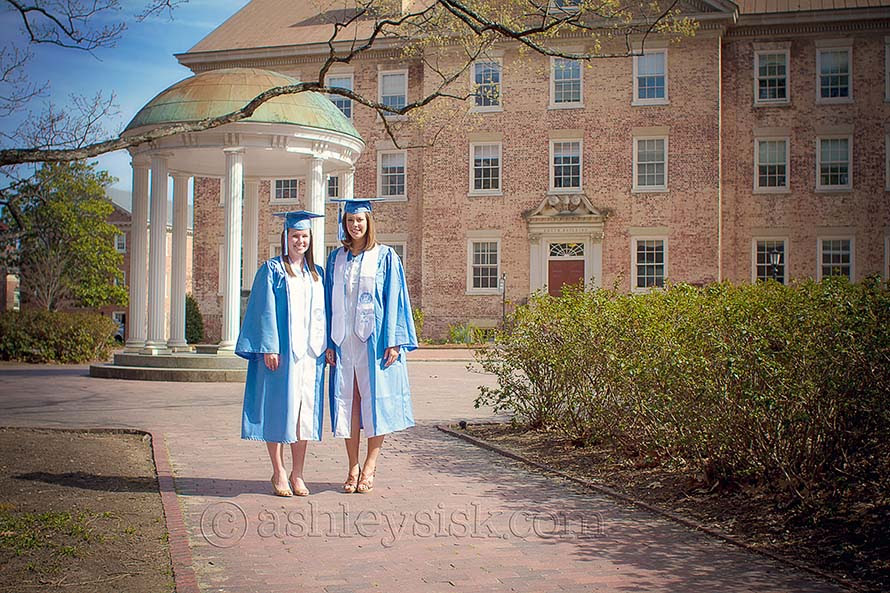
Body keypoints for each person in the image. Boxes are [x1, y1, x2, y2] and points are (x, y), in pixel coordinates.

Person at [325, 198, 418, 494]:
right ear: (344, 223)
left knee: (376, 403)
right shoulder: (335, 259)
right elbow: (326, 304)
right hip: (343, 343)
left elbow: (396, 299)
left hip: (374, 342)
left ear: (369, 223)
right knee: (348, 403)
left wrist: (395, 340)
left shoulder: (385, 256)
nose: (355, 225)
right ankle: (352, 466)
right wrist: (328, 341)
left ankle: (370, 465)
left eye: (360, 220)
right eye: (350, 220)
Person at [236, 210, 326, 497]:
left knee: (304, 415)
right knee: (278, 411)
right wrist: (269, 347)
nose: (300, 240)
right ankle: (278, 471)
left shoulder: (317, 273)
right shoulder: (272, 270)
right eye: (295, 235)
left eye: (304, 236)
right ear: (285, 237)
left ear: (311, 239)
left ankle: (298, 474)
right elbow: (263, 310)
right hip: (282, 355)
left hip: (311, 356)